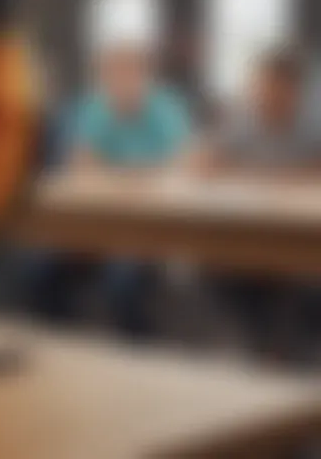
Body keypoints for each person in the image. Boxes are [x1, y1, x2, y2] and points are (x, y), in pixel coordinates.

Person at [200, 47, 321, 362]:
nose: (263, 93)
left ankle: (282, 353)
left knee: (294, 279)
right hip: (249, 230)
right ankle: (254, 346)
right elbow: (206, 163)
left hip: (302, 237)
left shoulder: (313, 121)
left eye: (271, 86)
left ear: (292, 89)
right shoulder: (243, 119)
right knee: (215, 265)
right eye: (259, 85)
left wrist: (258, 174)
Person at [65, 43, 193, 338]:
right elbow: (80, 163)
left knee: (122, 278)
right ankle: (67, 343)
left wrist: (118, 174)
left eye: (128, 72)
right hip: (98, 220)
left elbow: (186, 163)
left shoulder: (167, 107)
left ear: (144, 75)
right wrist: (136, 175)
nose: (120, 81)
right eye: (111, 73)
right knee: (39, 269)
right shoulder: (95, 107)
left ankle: (134, 348)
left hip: (153, 224)